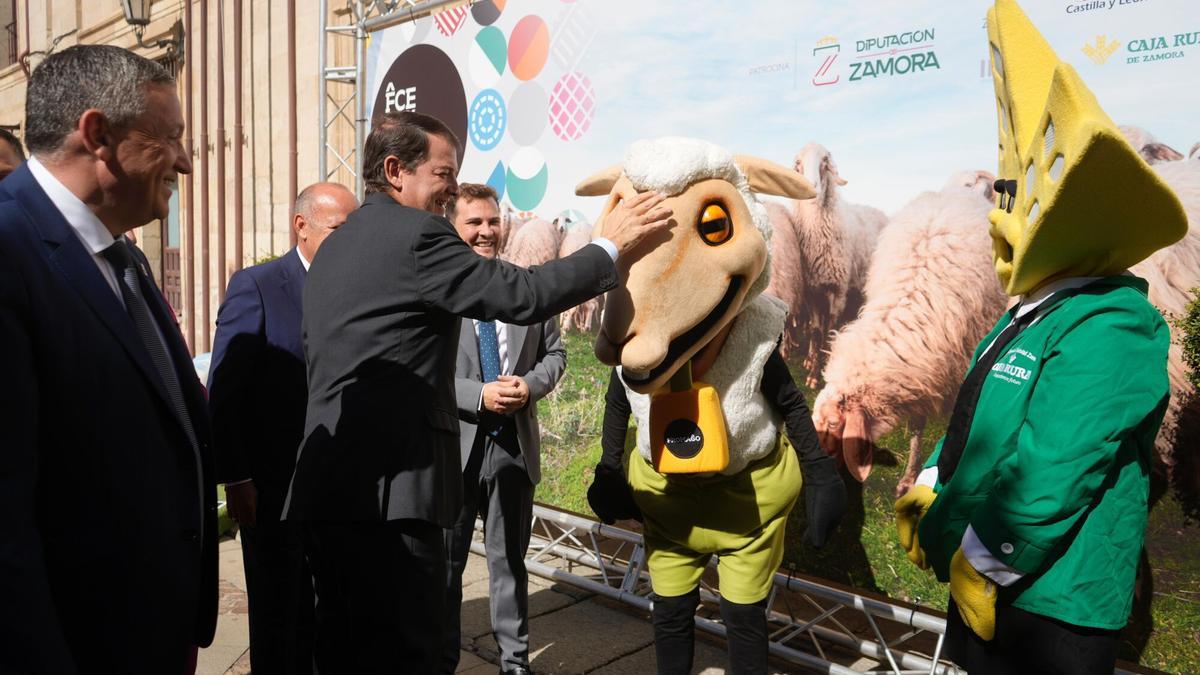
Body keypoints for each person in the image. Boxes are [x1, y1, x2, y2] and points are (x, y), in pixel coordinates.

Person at [282, 110, 673, 673]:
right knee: (402, 656)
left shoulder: (335, 249)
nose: (450, 188)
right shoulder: (418, 235)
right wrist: (608, 248)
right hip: (394, 498)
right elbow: (524, 294)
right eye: (443, 173)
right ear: (396, 170)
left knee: (342, 652)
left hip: (328, 490)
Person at [895, 2, 1187, 673]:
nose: (997, 211)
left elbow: (1050, 473)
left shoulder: (1115, 325)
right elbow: (977, 420)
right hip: (989, 583)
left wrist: (979, 563)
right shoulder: (1026, 311)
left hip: (1051, 607)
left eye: (1009, 193)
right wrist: (934, 485)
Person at [0, 45, 217, 672]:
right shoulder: (8, 253)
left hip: (154, 630)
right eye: (170, 137)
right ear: (97, 134)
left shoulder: (125, 256)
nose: (184, 161)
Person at [208, 182, 358, 674]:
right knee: (279, 613)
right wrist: (237, 477)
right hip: (274, 487)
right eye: (338, 230)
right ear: (302, 226)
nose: (349, 241)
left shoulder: (355, 289)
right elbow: (227, 389)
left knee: (332, 612)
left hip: (339, 485)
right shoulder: (257, 286)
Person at [441, 184, 566, 675]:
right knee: (446, 568)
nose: (486, 231)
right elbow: (418, 371)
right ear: (454, 227)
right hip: (455, 448)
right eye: (474, 222)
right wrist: (476, 395)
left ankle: (515, 664)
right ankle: (442, 660)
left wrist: (530, 386)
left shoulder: (525, 286)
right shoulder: (437, 291)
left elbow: (556, 354)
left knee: (510, 564)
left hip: (513, 447)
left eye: (492, 221)